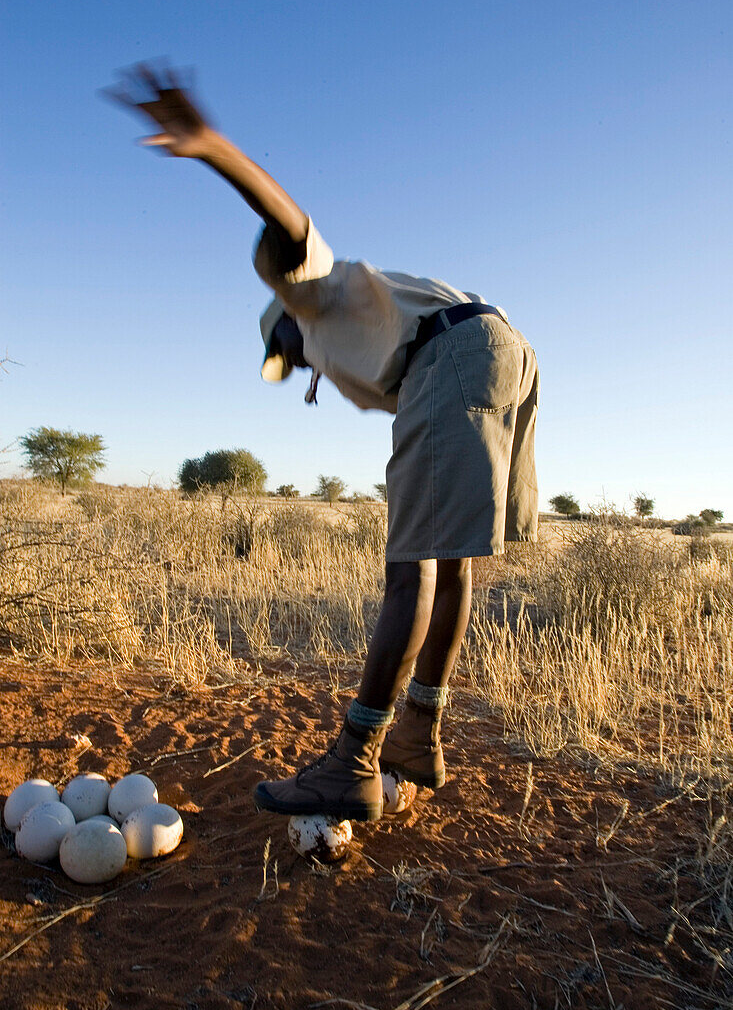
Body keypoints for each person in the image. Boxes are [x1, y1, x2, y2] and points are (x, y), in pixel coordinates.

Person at [106, 63, 540, 822]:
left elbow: (289, 222)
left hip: (456, 356)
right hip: (504, 352)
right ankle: (418, 733)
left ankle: (354, 760)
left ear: (282, 323)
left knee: (410, 573)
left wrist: (213, 149)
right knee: (449, 561)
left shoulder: (306, 295)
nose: (299, 364)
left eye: (288, 354)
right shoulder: (366, 321)